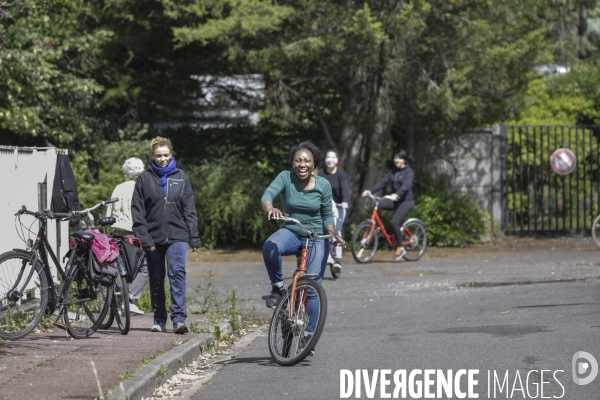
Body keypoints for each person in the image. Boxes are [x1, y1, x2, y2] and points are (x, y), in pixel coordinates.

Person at [261, 140, 344, 347]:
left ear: (314, 163)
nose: (302, 164)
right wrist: (271, 207)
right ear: (293, 163)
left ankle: (309, 333)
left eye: (307, 160)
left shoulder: (323, 184)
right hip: (292, 230)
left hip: (316, 237)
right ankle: (278, 288)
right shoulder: (285, 178)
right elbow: (268, 195)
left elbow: (327, 214)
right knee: (271, 246)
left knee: (314, 288)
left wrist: (332, 233)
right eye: (298, 160)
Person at [132, 137, 201, 334]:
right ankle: (159, 319)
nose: (163, 159)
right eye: (158, 155)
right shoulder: (144, 178)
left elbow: (189, 209)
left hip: (178, 234)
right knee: (156, 276)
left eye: (166, 155)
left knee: (177, 273)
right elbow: (137, 211)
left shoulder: (181, 177)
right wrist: (144, 238)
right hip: (153, 236)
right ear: (152, 156)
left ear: (172, 154)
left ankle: (179, 319)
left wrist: (193, 236)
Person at [106, 157, 149, 316]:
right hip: (134, 233)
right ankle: (130, 299)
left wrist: (109, 232)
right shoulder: (142, 187)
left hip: (117, 232)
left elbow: (110, 210)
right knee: (144, 266)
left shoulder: (118, 187)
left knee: (121, 267)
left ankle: (119, 298)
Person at [361, 149, 414, 261]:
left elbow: (405, 186)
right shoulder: (393, 171)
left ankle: (400, 247)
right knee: (379, 204)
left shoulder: (409, 172)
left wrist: (397, 194)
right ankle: (380, 229)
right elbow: (383, 182)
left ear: (404, 160)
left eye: (399, 158)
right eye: (395, 158)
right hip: (395, 200)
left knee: (394, 222)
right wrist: (370, 191)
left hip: (406, 201)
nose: (397, 160)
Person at [319, 149, 350, 273]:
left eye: (333, 157)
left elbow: (345, 189)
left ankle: (338, 260)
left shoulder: (341, 174)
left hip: (338, 206)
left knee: (336, 230)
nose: (330, 159)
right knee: (323, 230)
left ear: (337, 160)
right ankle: (327, 256)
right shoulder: (321, 174)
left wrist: (345, 201)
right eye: (328, 157)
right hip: (325, 206)